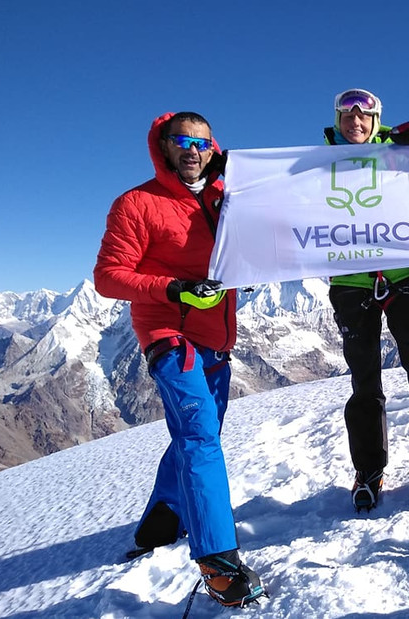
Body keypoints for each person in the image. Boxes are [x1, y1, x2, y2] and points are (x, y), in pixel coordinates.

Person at [94, 112, 265, 607]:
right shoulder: (136, 202)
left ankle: (162, 516)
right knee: (199, 436)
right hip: (169, 333)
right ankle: (218, 562)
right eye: (181, 141)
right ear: (163, 147)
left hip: (218, 336)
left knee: (199, 430)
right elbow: (108, 276)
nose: (192, 149)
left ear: (214, 147)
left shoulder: (225, 197)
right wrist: (174, 289)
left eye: (202, 142)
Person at [322, 88, 409, 511]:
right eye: (347, 116)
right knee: (365, 381)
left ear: (377, 120)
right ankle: (369, 469)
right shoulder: (313, 165)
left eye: (364, 116)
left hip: (402, 277)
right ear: (337, 120)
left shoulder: (397, 155)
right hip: (349, 283)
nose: (355, 123)